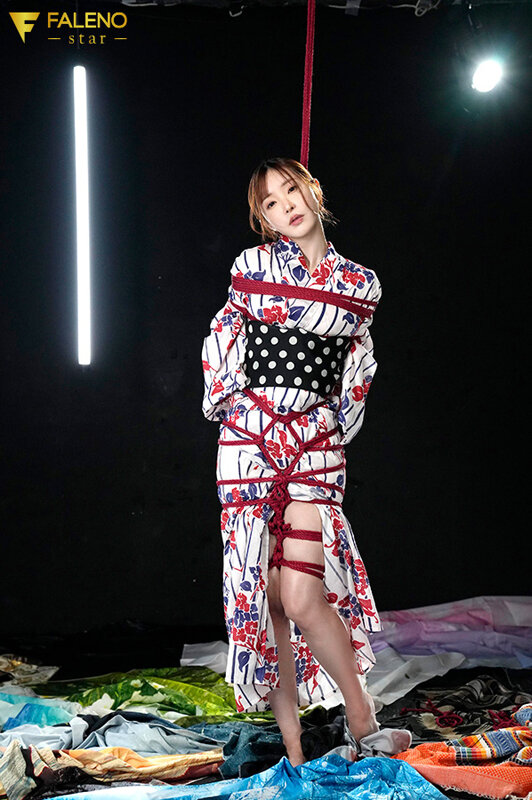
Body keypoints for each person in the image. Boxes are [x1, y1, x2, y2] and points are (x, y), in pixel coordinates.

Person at [201, 157, 398, 766]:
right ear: (263, 218)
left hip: (315, 444)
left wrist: (329, 423)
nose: (286, 205)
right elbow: (224, 341)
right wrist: (244, 410)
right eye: (270, 201)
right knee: (266, 601)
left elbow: (357, 368)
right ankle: (293, 751)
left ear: (313, 190)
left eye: (292, 189)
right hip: (248, 441)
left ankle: (362, 718)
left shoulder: (359, 285)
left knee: (303, 598)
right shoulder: (252, 268)